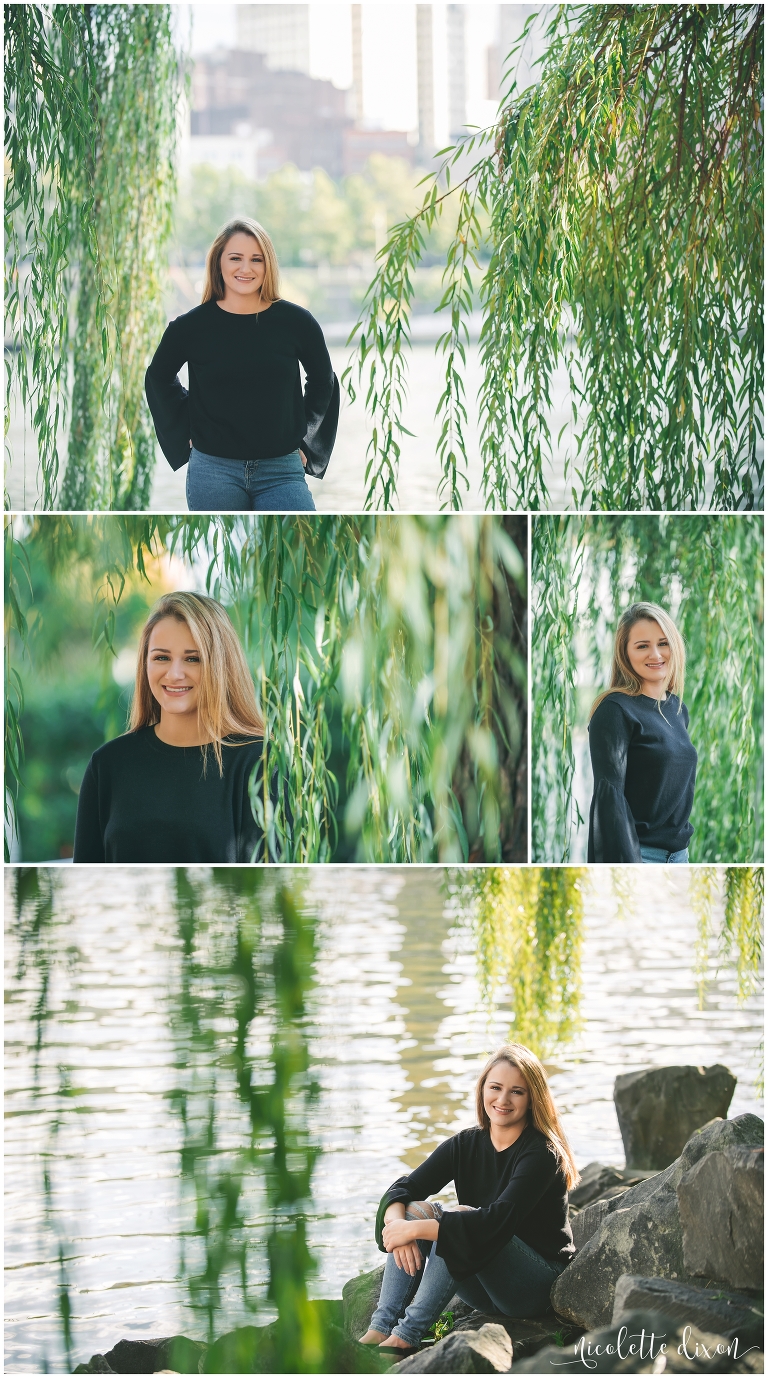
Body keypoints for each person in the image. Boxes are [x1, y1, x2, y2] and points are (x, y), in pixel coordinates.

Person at [359, 1044, 577, 1357]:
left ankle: (406, 1337)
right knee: (412, 1210)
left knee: (458, 1218)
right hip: (482, 1288)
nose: (503, 1100)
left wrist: (417, 1230)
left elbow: (496, 1222)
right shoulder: (465, 1143)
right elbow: (403, 1188)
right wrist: (398, 1224)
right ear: (482, 1089)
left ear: (532, 1100)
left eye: (517, 1092)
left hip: (531, 1286)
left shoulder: (542, 1154)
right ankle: (380, 1327)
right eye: (496, 1088)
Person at [145, 217, 339, 512]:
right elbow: (158, 378)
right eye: (235, 258)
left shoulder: (297, 323)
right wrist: (189, 427)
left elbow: (323, 381)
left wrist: (305, 442)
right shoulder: (190, 328)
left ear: (268, 265)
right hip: (213, 471)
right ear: (219, 263)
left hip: (282, 471)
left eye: (256, 260)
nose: (245, 268)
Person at [73, 592, 272, 863]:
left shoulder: (258, 763)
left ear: (222, 666)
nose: (174, 674)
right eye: (161, 658)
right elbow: (87, 885)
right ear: (145, 663)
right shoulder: (107, 765)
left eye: (193, 659)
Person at [587, 602, 697, 864]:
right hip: (640, 856)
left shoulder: (677, 708)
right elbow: (610, 803)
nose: (656, 654)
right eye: (642, 646)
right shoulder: (614, 710)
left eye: (663, 643)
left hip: (681, 857)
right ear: (625, 653)